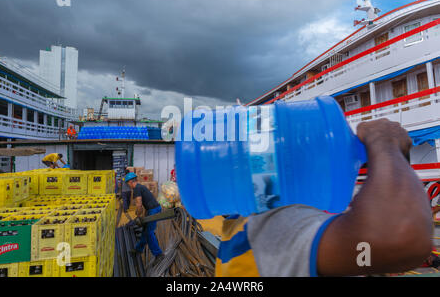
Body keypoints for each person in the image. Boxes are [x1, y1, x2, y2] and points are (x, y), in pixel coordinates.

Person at [215, 119, 433, 277]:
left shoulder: (244, 220)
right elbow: (398, 238)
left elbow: (365, 253)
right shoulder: (273, 223)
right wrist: (384, 142)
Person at [124, 172, 164, 264]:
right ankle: (138, 249)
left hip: (153, 211)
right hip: (153, 209)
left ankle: (159, 254)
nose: (128, 185)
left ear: (130, 182)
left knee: (149, 233)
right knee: (145, 231)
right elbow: (147, 202)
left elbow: (139, 204)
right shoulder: (141, 187)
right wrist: (144, 215)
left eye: (128, 183)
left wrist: (138, 216)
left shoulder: (136, 188)